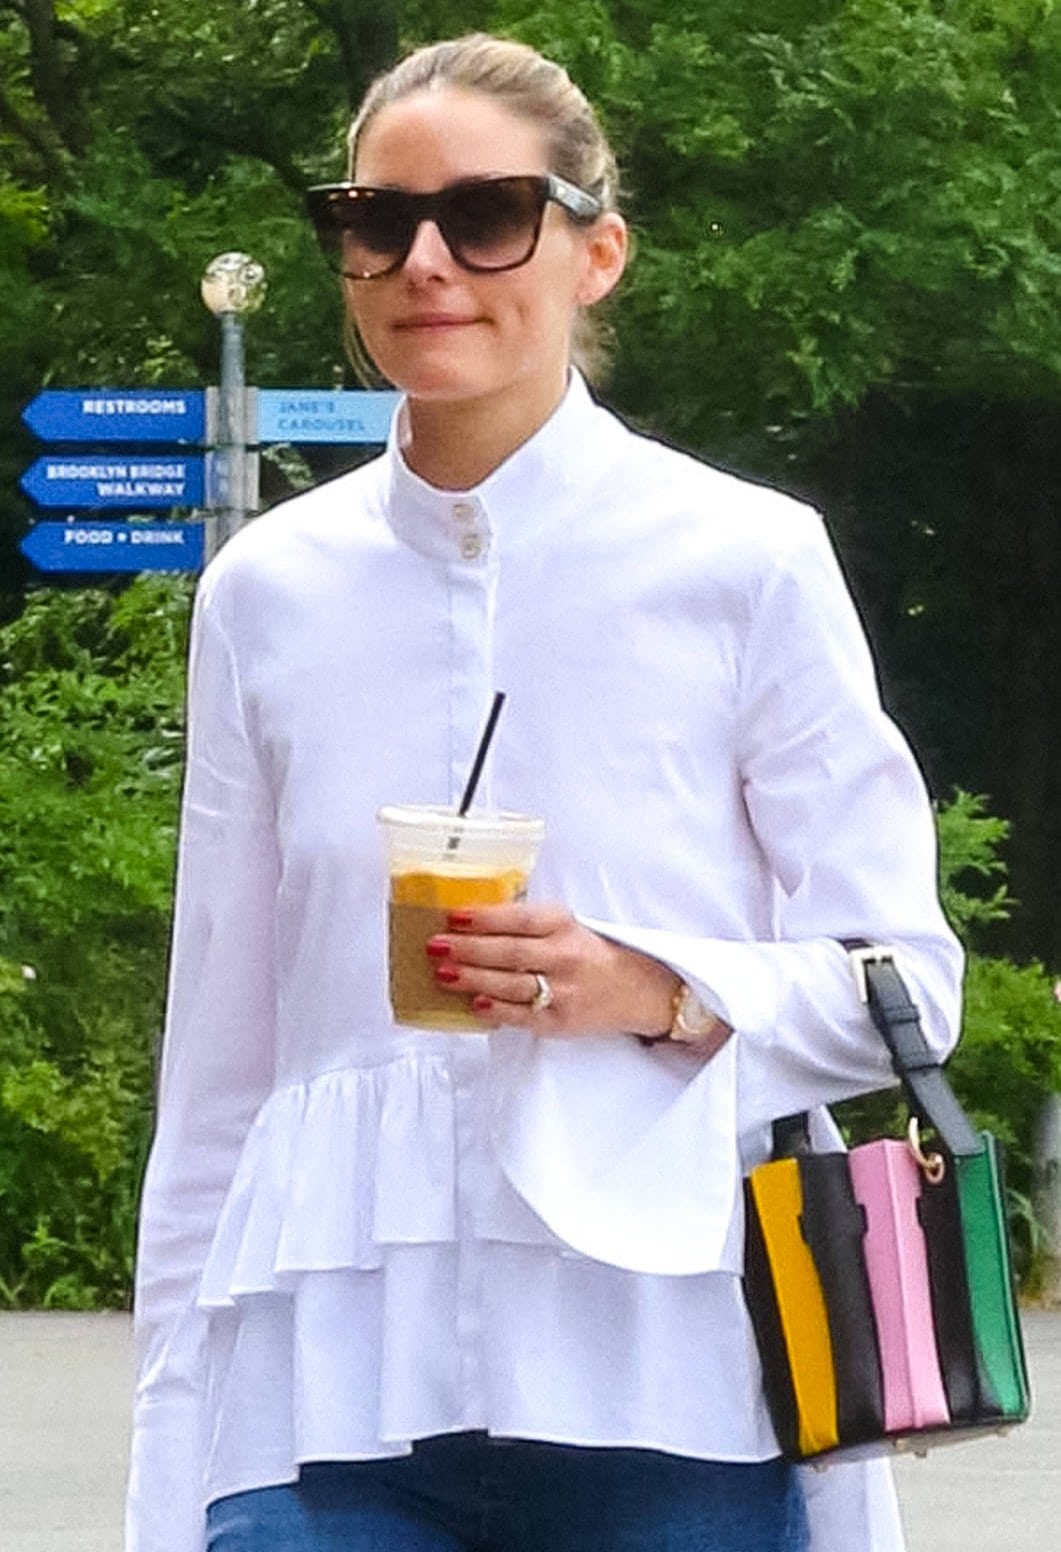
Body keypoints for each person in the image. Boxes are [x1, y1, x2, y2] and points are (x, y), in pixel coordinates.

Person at [125, 32, 963, 1552]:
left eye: (489, 217)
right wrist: (167, 1442)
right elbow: (219, 1063)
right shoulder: (266, 592)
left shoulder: (740, 559)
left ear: (596, 252)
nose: (425, 262)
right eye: (375, 222)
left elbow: (907, 982)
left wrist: (650, 987)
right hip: (324, 1390)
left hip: (668, 1372)